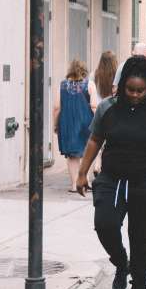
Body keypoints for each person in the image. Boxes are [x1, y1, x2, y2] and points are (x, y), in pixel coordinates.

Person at [75, 57, 146, 289]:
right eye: (130, 89)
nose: (134, 95)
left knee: (141, 236)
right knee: (104, 224)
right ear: (122, 86)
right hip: (112, 177)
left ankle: (139, 288)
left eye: (140, 91)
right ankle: (122, 263)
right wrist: (82, 173)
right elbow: (94, 140)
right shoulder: (107, 108)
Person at [53, 59, 98, 192]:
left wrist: (55, 124)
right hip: (87, 122)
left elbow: (56, 107)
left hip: (68, 124)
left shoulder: (62, 85)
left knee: (72, 156)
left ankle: (74, 185)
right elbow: (94, 105)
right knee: (88, 153)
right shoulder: (90, 84)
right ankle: (85, 181)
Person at [91, 51, 118, 175]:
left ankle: (97, 165)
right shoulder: (117, 75)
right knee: (108, 139)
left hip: (97, 109)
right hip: (112, 108)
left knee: (97, 138)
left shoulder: (94, 75)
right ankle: (101, 164)